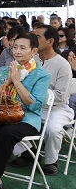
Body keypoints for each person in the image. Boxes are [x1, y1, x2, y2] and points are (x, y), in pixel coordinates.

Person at [0, 32, 50, 189]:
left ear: (34, 51)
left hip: (27, 119)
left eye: (23, 48)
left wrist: (17, 82)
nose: (17, 51)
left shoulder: (41, 75)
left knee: (6, 132)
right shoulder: (5, 70)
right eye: (15, 47)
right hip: (4, 114)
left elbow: (34, 104)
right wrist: (8, 81)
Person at [10, 25, 73, 175]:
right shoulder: (32, 59)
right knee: (7, 119)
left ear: (50, 41)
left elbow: (61, 96)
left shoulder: (62, 64)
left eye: (37, 37)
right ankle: (27, 151)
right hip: (30, 104)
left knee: (52, 128)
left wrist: (34, 95)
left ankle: (51, 160)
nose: (33, 39)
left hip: (57, 108)